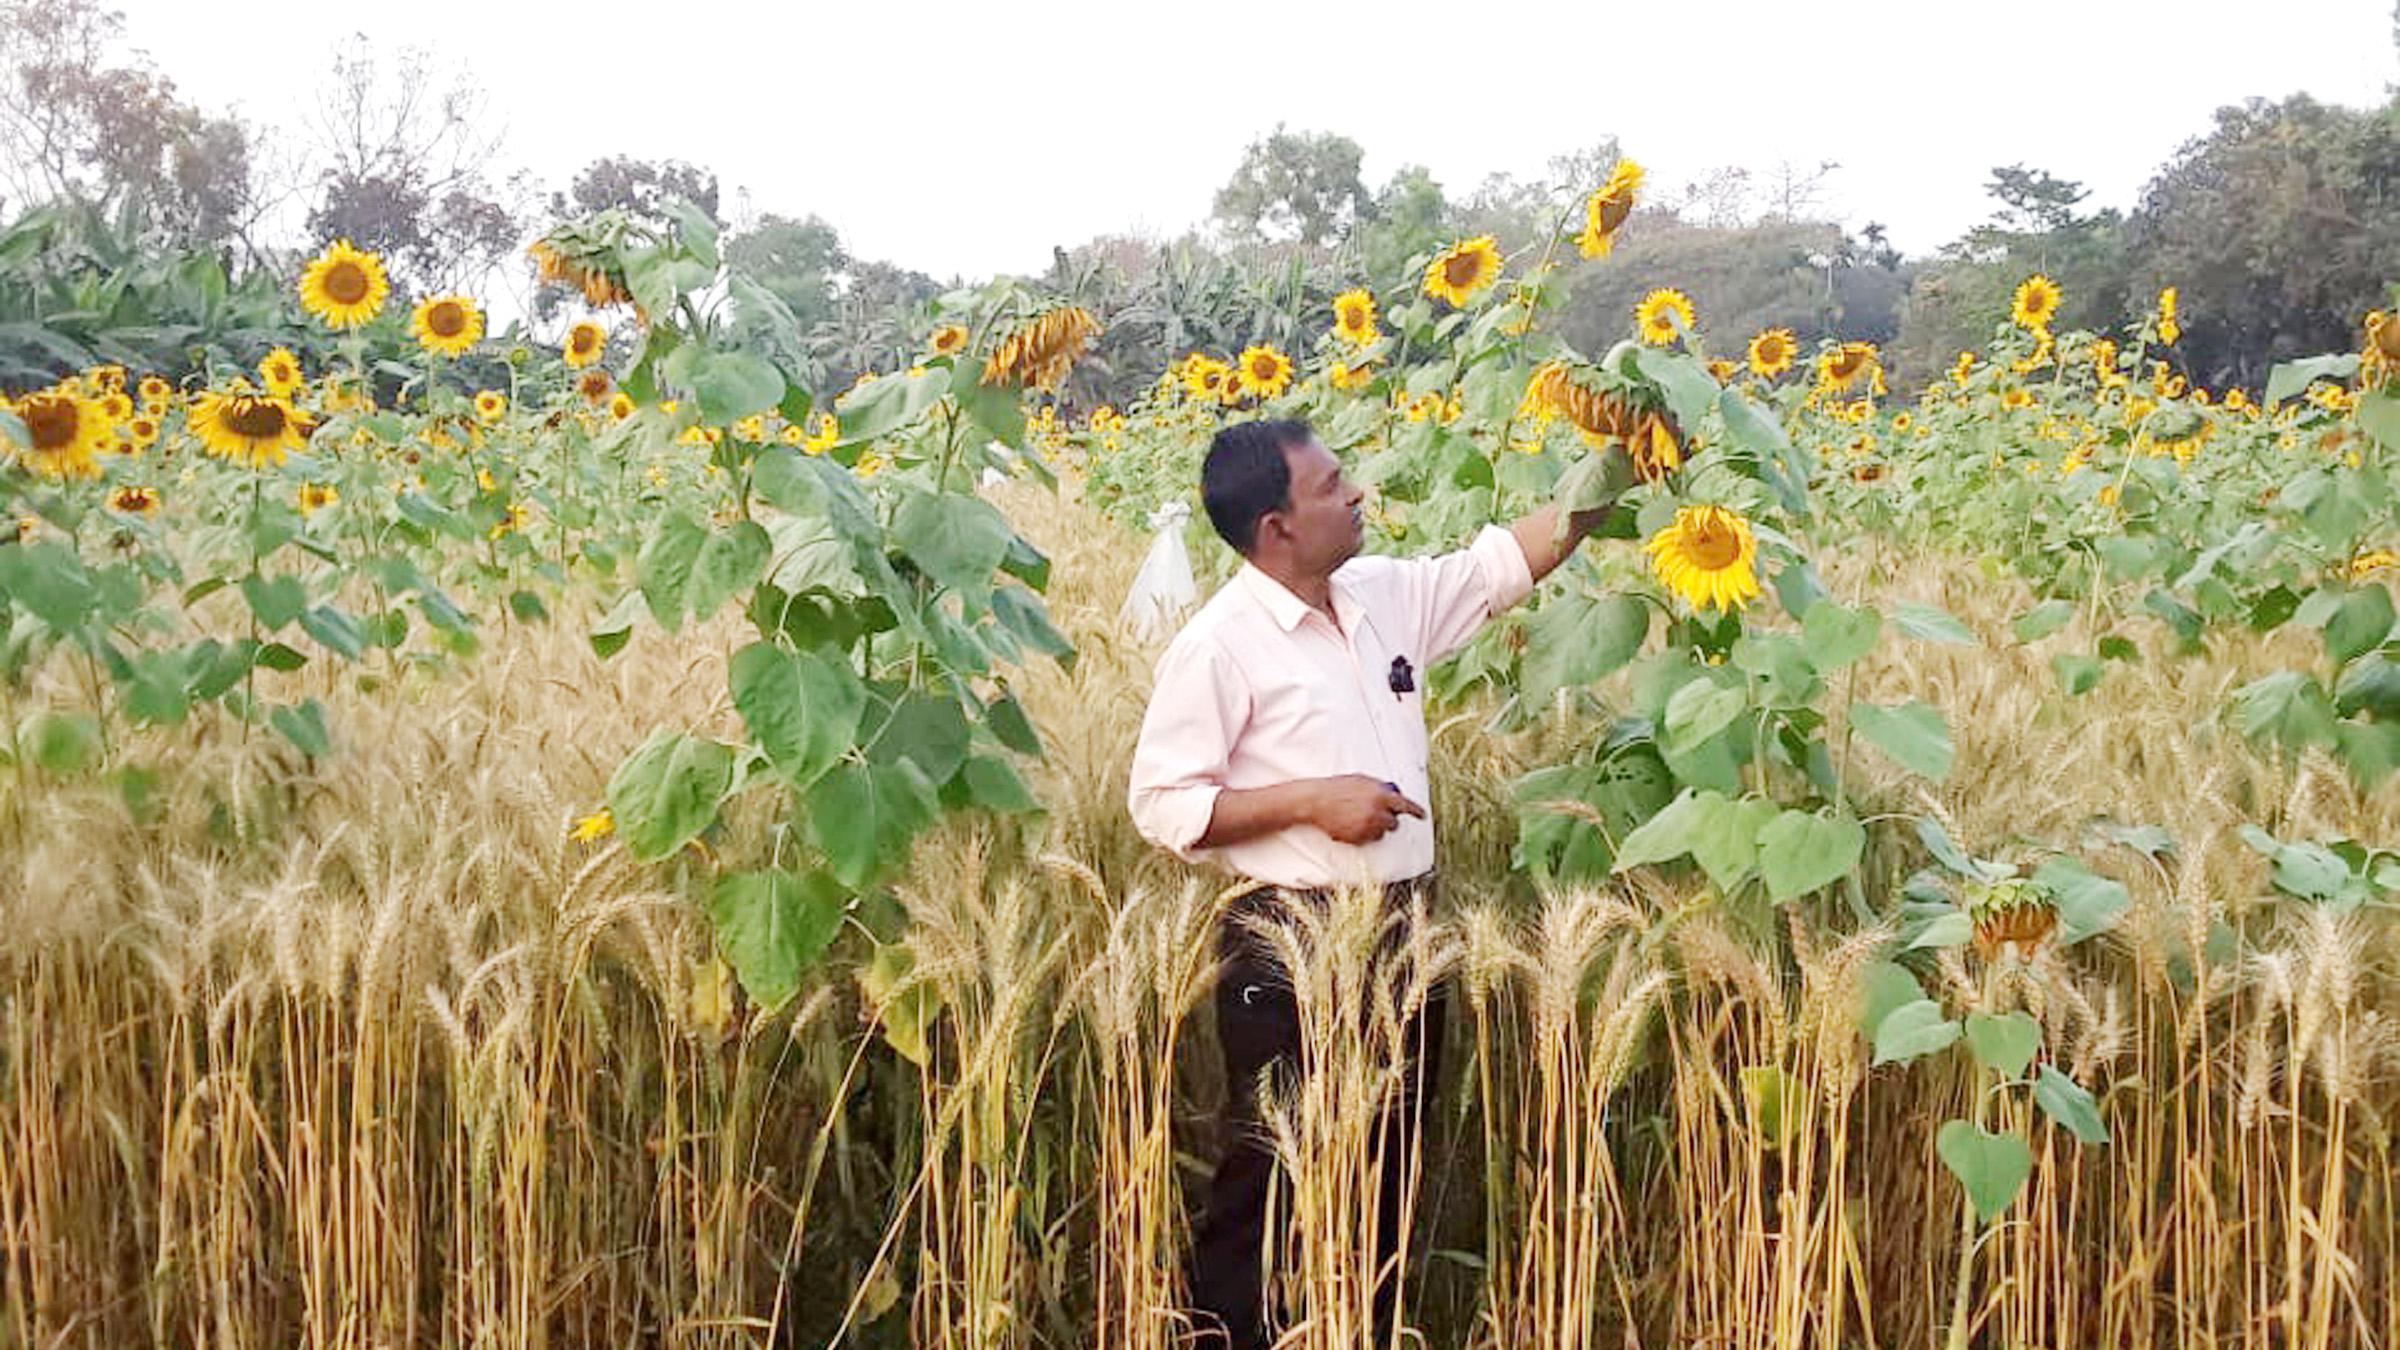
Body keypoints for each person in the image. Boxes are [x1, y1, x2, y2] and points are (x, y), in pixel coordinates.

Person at [1126, 418, 1623, 1349]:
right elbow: (1162, 804)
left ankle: (1355, 1328)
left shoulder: (1381, 595)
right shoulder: (1220, 645)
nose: (1355, 495)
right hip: (1290, 942)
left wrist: (1618, 468)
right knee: (1274, 1178)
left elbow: (1501, 565)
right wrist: (1316, 801)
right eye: (1330, 487)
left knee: (1386, 1169)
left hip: (1403, 931)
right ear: (1275, 526)